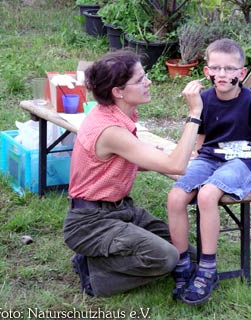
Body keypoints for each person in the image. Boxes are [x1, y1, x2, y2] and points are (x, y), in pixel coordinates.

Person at [63, 49, 204, 297]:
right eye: (140, 80)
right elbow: (176, 167)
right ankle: (94, 272)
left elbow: (131, 161)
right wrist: (194, 114)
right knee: (167, 258)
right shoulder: (110, 129)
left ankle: (106, 258)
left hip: (121, 210)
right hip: (90, 222)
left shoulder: (115, 115)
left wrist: (155, 156)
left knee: (190, 255)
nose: (148, 82)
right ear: (118, 92)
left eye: (145, 76)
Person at [167, 38, 251, 305]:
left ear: (241, 73)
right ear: (207, 71)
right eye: (216, 68)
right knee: (175, 197)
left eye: (229, 69)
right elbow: (201, 132)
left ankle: (207, 269)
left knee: (207, 195)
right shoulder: (204, 99)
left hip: (244, 163)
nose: (222, 74)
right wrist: (198, 152)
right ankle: (183, 263)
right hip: (211, 157)